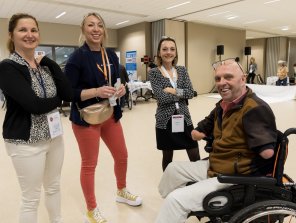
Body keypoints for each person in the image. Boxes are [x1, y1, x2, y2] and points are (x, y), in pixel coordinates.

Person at [155, 58, 278, 223]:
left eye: (228, 77)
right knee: (172, 170)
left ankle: (176, 205)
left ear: (243, 79)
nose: (222, 83)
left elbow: (267, 152)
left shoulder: (255, 109)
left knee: (175, 200)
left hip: (235, 175)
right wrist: (201, 132)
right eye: (218, 79)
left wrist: (256, 138)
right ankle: (175, 210)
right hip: (218, 163)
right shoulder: (224, 104)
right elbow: (205, 125)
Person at [64, 12, 142, 223]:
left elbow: (116, 80)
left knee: (122, 155)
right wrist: (96, 91)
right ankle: (91, 208)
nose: (96, 29)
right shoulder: (76, 58)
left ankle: (121, 190)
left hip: (110, 113)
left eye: (100, 25)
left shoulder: (111, 55)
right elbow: (68, 94)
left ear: (104, 30)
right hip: (86, 118)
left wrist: (121, 90)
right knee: (90, 164)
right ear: (83, 30)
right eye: (91, 25)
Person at [0, 13, 72, 223]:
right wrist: (58, 101)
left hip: (54, 137)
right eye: (23, 30)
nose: (29, 34)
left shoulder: (44, 66)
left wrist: (48, 60)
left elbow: (68, 93)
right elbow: (34, 105)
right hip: (25, 142)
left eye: (34, 30)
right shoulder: (8, 67)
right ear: (11, 35)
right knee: (31, 198)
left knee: (53, 187)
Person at [149, 36, 200, 171]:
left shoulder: (182, 70)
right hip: (164, 120)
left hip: (184, 117)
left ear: (176, 52)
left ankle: (200, 182)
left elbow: (191, 93)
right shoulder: (154, 72)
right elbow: (161, 97)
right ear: (159, 52)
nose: (168, 52)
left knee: (194, 151)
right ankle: (168, 184)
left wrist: (172, 90)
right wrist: (181, 94)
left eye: (172, 49)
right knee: (167, 156)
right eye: (164, 49)